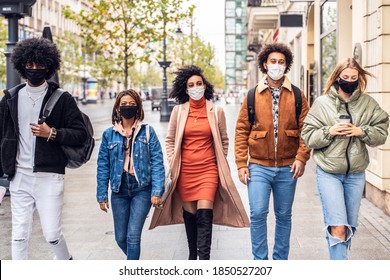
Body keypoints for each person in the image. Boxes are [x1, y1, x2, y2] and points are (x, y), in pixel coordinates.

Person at [149, 65, 249, 260]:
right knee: (191, 217)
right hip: (185, 172)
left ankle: (204, 261)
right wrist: (172, 159)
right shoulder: (178, 111)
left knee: (205, 216)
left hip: (208, 171)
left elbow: (224, 139)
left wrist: (218, 158)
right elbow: (170, 140)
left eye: (199, 84)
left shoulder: (216, 111)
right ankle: (192, 258)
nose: (195, 87)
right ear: (186, 89)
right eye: (191, 85)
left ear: (205, 86)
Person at [0, 37, 88, 260]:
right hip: (19, 176)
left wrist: (53, 133)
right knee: (19, 236)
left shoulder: (62, 99)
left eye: (40, 65)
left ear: (49, 67)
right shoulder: (10, 98)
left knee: (52, 234)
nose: (34, 69)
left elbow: (80, 135)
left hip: (49, 176)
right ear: (22, 66)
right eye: (29, 65)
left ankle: (66, 263)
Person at [301, 58, 389, 260]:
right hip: (329, 174)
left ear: (359, 79)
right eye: (345, 77)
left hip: (356, 175)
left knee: (349, 226)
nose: (349, 81)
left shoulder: (367, 104)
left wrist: (361, 131)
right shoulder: (322, 103)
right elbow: (307, 137)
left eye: (353, 78)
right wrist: (329, 131)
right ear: (337, 78)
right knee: (338, 227)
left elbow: (381, 133)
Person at [234, 43, 311, 260]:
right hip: (258, 166)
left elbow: (308, 129)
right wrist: (241, 163)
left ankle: (280, 262)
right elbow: (241, 130)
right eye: (273, 61)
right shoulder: (252, 95)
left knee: (284, 216)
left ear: (286, 66)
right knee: (258, 214)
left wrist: (301, 157)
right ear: (265, 64)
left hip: (288, 168)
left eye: (281, 62)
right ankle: (260, 263)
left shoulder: (297, 95)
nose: (277, 65)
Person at [96, 89, 165, 260]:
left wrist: (157, 191)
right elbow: (103, 166)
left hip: (142, 189)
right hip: (119, 190)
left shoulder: (148, 132)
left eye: (132, 104)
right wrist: (102, 195)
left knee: (133, 236)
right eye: (124, 104)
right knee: (120, 238)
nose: (128, 107)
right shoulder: (108, 134)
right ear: (118, 108)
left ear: (138, 107)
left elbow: (157, 162)